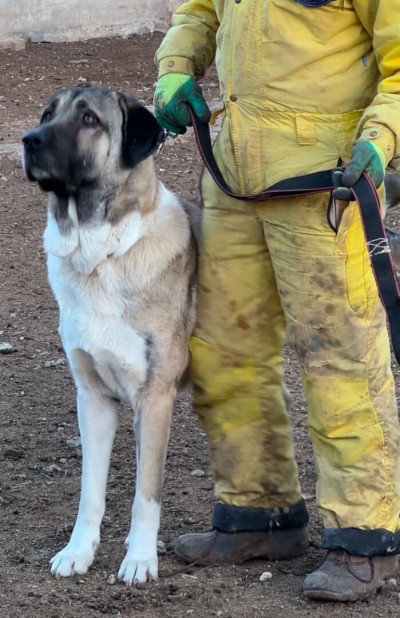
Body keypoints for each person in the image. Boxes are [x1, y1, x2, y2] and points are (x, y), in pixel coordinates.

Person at [153, 0, 400, 602]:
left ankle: (366, 536)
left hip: (327, 185)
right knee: (223, 351)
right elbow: (202, 9)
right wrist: (176, 63)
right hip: (235, 177)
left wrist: (382, 139)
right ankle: (257, 512)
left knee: (338, 360)